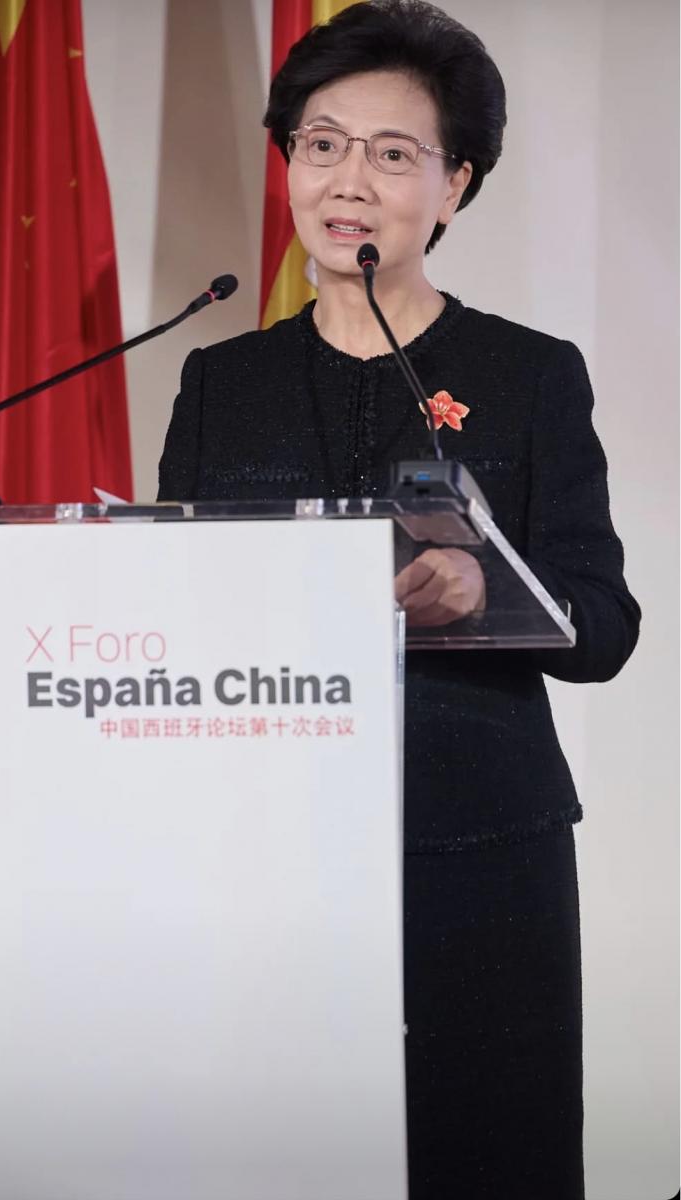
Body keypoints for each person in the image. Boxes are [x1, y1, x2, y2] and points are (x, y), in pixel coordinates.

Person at [158, 2, 640, 1195]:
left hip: (479, 843)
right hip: (267, 843)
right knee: (283, 1157)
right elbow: (174, 598)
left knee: (488, 1153)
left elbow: (605, 622)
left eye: (391, 153)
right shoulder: (219, 379)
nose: (348, 182)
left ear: (454, 185)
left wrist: (487, 586)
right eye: (321, 145)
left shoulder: (530, 374)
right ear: (289, 163)